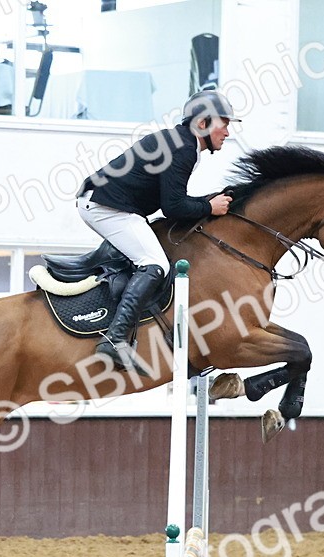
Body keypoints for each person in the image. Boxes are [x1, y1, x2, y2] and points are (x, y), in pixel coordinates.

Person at [77, 90, 239, 373]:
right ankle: (114, 340)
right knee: (154, 263)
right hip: (106, 208)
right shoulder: (183, 148)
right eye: (223, 123)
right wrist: (208, 207)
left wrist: (206, 203)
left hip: (108, 204)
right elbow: (173, 207)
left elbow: (173, 201)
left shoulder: (181, 142)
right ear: (202, 124)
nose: (227, 131)